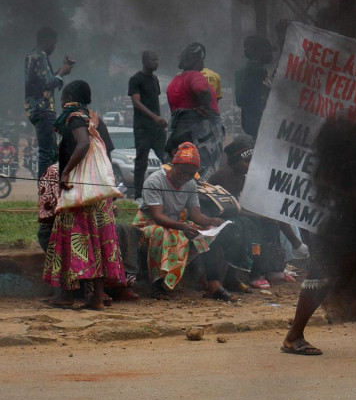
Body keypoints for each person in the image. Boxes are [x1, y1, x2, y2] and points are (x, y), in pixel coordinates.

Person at [41, 80, 126, 309]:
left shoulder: (74, 118)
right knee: (98, 242)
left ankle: (67, 296)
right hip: (99, 193)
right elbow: (107, 151)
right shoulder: (95, 119)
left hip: (78, 190)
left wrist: (67, 172)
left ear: (68, 96)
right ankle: (96, 297)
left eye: (62, 96)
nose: (60, 101)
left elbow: (82, 144)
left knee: (73, 239)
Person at [133, 142, 234, 300]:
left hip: (174, 225)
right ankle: (157, 286)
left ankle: (213, 284)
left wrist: (212, 221)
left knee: (207, 234)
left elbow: (196, 215)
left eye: (190, 174)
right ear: (174, 165)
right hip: (149, 225)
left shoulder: (190, 184)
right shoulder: (155, 181)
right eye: (182, 172)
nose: (185, 177)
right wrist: (182, 226)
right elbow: (157, 216)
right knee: (161, 233)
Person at [208, 135, 307, 289]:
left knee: (270, 217)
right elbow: (232, 209)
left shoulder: (242, 173)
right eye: (246, 161)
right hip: (221, 217)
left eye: (252, 161)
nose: (250, 165)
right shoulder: (226, 175)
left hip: (240, 214)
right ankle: (257, 274)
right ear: (235, 160)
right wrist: (260, 214)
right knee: (258, 224)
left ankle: (274, 269)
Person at [165, 42, 224, 180]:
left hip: (179, 130)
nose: (203, 62)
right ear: (196, 60)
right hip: (201, 131)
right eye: (201, 59)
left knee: (183, 165)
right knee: (206, 165)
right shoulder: (194, 76)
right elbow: (203, 90)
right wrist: (206, 107)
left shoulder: (176, 79)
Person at [25, 26, 74, 178]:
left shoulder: (32, 56)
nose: (54, 47)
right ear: (46, 40)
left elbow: (44, 80)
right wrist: (63, 73)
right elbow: (48, 83)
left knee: (50, 152)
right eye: (53, 43)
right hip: (44, 109)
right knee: (47, 154)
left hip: (34, 109)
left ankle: (48, 192)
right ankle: (45, 194)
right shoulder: (41, 56)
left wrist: (62, 70)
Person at [128, 50, 168, 199]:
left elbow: (155, 102)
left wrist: (160, 119)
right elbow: (136, 102)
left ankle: (168, 192)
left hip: (157, 129)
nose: (156, 63)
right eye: (153, 60)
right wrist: (154, 117)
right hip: (142, 128)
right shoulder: (136, 79)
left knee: (166, 158)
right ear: (144, 61)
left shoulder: (155, 79)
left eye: (157, 60)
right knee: (141, 162)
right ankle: (138, 195)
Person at [235, 36, 275, 137]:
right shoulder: (260, 74)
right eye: (268, 51)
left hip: (251, 125)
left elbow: (239, 101)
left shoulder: (241, 73)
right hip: (260, 126)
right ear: (259, 52)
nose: (270, 55)